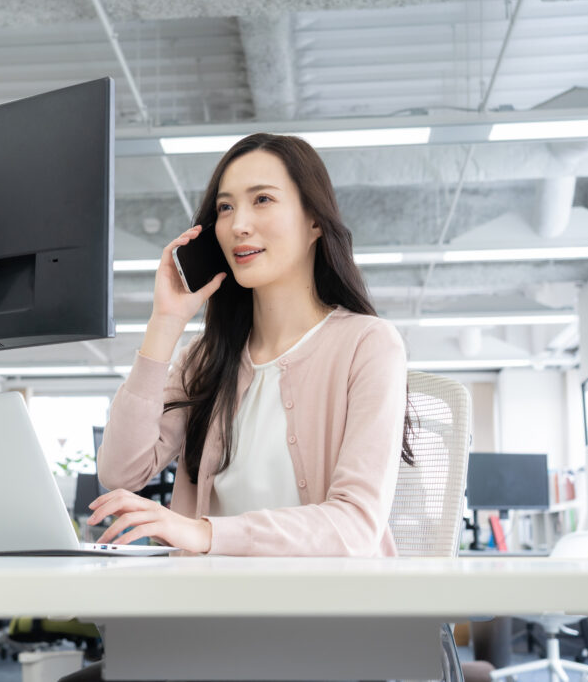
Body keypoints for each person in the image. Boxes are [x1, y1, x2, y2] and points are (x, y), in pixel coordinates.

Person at [87, 132, 413, 556]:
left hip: (328, 610)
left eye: (262, 200)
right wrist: (165, 323)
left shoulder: (368, 345)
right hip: (213, 608)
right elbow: (120, 471)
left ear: (314, 220)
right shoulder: (204, 359)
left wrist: (206, 534)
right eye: (225, 207)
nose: (238, 224)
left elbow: (354, 525)